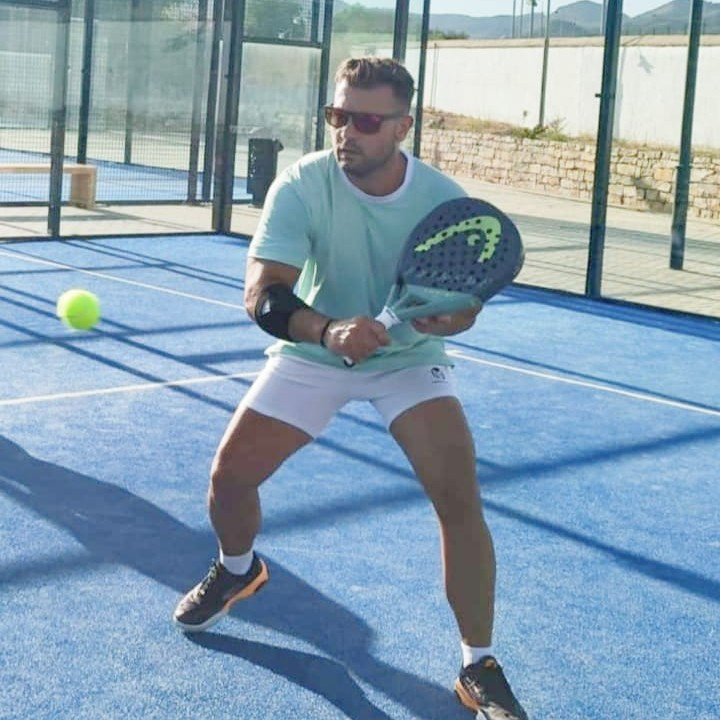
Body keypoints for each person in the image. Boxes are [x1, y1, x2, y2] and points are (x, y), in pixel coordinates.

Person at [173, 56, 528, 720]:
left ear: (402, 127)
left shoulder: (442, 200)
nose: (346, 132)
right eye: (338, 116)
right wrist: (328, 330)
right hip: (315, 349)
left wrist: (456, 318)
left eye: (365, 121)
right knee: (229, 480)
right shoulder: (302, 184)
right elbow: (263, 294)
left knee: (458, 497)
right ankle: (238, 567)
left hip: (408, 358)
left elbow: (463, 301)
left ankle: (478, 664)